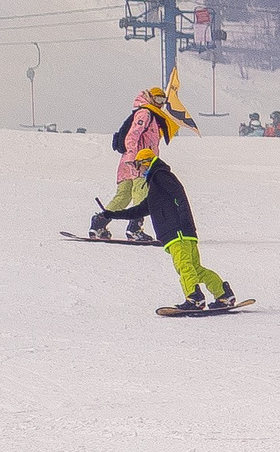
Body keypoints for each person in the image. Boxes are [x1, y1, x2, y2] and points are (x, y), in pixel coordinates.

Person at [90, 83, 237, 312]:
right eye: (157, 98)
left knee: (184, 267)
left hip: (178, 233)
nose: (160, 103)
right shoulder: (145, 115)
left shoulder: (159, 176)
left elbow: (177, 196)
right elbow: (141, 206)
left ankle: (194, 298)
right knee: (194, 268)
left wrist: (181, 221)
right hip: (181, 230)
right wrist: (111, 213)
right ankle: (223, 294)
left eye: (162, 100)